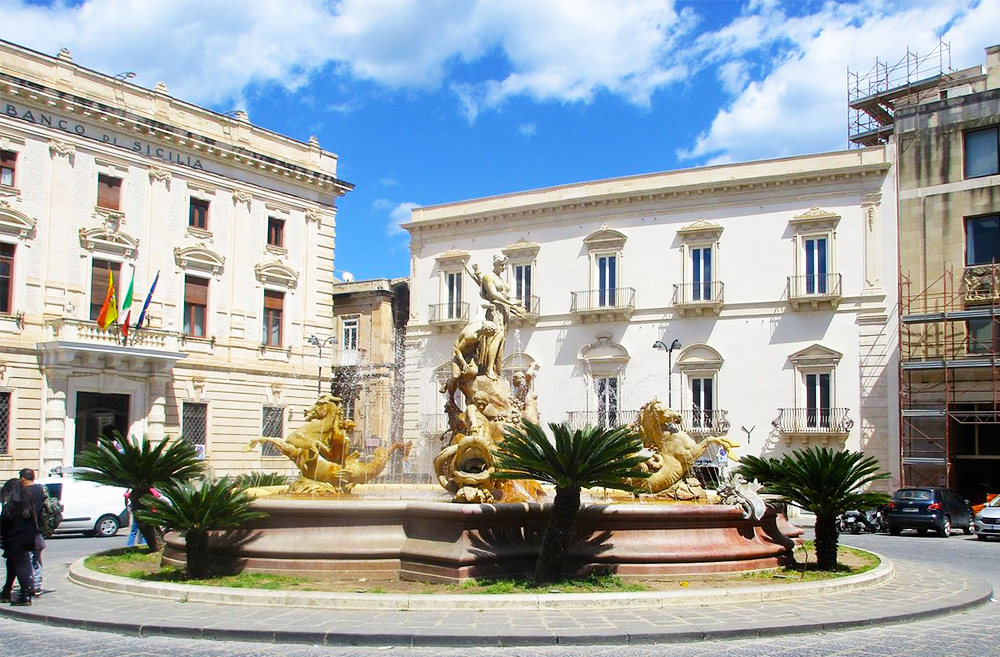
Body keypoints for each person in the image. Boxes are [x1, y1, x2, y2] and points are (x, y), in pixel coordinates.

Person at [1, 478, 40, 605]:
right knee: (13, 564)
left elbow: (4, 523)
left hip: (15, 539)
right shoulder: (27, 502)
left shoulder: (11, 505)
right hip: (27, 538)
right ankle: (6, 591)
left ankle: (25, 595)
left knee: (19, 566)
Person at [18, 468, 45, 596]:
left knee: (26, 558)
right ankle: (37, 584)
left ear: (23, 478)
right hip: (39, 528)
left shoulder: (23, 492)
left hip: (26, 529)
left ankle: (29, 584)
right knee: (37, 557)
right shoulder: (41, 489)